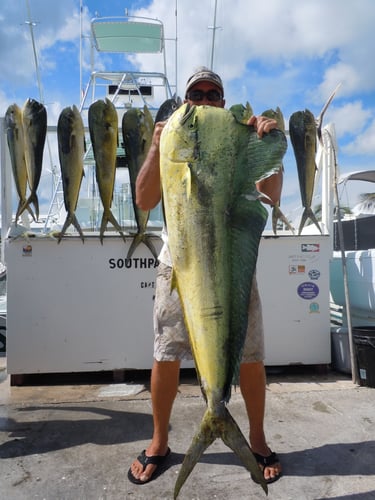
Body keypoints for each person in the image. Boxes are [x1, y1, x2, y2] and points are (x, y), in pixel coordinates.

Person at [128, 67, 283, 486]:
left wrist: (265, 144)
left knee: (249, 356)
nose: (205, 100)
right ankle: (159, 441)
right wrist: (157, 146)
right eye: (196, 93)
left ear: (222, 100)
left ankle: (256, 438)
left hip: (231, 266)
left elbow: (271, 196)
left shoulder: (237, 138)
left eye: (213, 94)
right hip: (179, 264)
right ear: (185, 100)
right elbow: (144, 199)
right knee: (166, 353)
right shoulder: (173, 136)